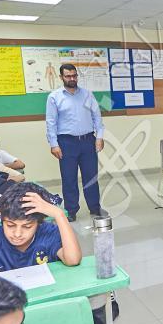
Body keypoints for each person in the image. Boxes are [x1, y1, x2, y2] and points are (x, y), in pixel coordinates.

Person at [46, 64, 105, 222]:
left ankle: (95, 207)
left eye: (74, 75)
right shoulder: (54, 97)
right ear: (61, 77)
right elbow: (51, 122)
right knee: (69, 178)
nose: (72, 79)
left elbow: (97, 117)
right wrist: (54, 144)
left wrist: (99, 137)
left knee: (91, 177)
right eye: (68, 76)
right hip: (66, 142)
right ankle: (71, 210)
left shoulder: (87, 94)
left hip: (87, 141)